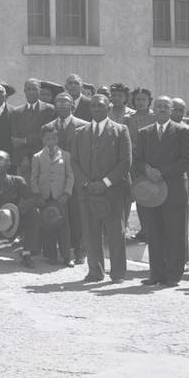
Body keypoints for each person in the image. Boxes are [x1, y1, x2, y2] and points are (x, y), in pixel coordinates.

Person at [133, 96, 189, 287]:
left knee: (174, 232)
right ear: (153, 109)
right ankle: (156, 274)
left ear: (171, 110)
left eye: (165, 107)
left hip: (174, 188)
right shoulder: (144, 133)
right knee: (154, 232)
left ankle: (173, 275)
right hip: (152, 190)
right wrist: (147, 170)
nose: (161, 109)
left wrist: (162, 172)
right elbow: (137, 160)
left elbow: (186, 161)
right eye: (158, 106)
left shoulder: (183, 132)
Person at [71, 93, 132, 283]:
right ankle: (95, 271)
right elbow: (74, 161)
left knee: (115, 233)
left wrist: (105, 182)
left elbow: (125, 161)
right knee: (91, 232)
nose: (97, 109)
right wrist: (87, 183)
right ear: (90, 109)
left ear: (108, 107)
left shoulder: (121, 130)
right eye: (94, 106)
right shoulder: (80, 132)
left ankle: (118, 273)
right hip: (88, 190)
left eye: (101, 105)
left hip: (113, 191)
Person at [42, 93, 89, 264]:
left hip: (76, 179)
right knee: (56, 215)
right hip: (54, 181)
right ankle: (58, 252)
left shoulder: (84, 126)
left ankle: (79, 251)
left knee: (77, 216)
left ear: (72, 106)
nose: (61, 105)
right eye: (58, 102)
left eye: (65, 102)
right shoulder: (48, 127)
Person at [0, 150, 36, 266]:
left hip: (14, 223)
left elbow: (32, 198)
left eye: (0, 161)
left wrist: (20, 209)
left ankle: (26, 253)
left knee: (34, 213)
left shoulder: (17, 181)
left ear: (8, 164)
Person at [31, 126, 75, 266]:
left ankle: (66, 256)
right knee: (47, 226)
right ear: (43, 140)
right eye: (47, 138)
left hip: (60, 196)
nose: (50, 141)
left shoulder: (66, 155)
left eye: (53, 138)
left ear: (58, 139)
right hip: (45, 197)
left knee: (64, 226)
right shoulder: (37, 157)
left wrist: (67, 193)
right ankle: (51, 255)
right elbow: (34, 177)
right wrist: (37, 194)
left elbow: (70, 176)